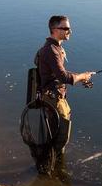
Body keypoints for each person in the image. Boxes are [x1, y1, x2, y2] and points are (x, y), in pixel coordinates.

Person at [33, 15, 95, 175]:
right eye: (65, 28)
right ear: (54, 30)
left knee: (56, 134)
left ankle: (52, 165)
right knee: (61, 136)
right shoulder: (51, 50)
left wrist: (82, 76)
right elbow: (62, 77)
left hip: (55, 97)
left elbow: (59, 74)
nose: (69, 31)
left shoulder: (52, 48)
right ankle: (51, 169)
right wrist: (81, 76)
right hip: (54, 99)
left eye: (69, 28)